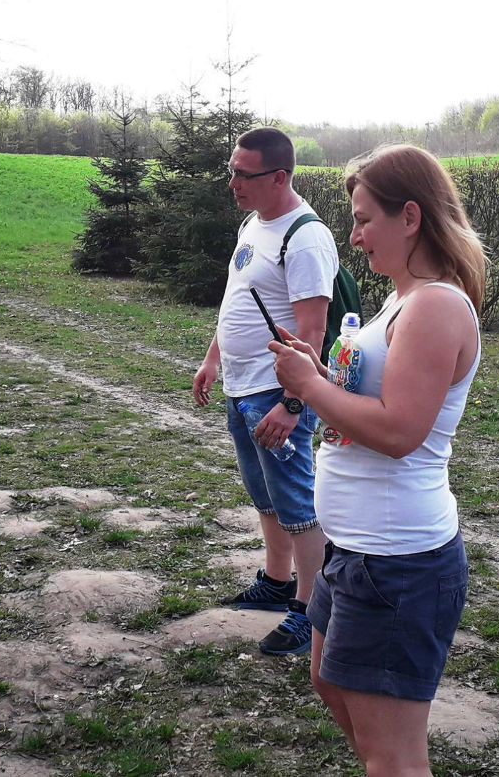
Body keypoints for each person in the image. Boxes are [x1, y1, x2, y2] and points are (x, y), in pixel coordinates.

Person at [269, 144, 483, 776]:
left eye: (364, 220)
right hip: (355, 550)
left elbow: (399, 431)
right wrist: (317, 375)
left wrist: (310, 389)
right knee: (329, 682)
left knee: (393, 756)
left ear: (410, 217)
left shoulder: (436, 305)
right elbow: (370, 403)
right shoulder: (400, 299)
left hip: (397, 562)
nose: (354, 236)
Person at [193, 126, 338, 656]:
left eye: (242, 174)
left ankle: (310, 609)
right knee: (266, 496)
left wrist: (292, 405)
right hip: (241, 385)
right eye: (231, 170)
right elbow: (238, 296)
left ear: (279, 177)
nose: (232, 183)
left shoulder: (306, 237)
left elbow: (313, 333)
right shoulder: (254, 223)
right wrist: (213, 359)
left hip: (275, 393)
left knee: (297, 504)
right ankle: (278, 582)